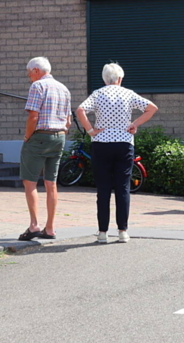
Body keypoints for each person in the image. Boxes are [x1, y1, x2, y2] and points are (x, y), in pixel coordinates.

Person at [76, 63, 158, 244]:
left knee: (103, 189)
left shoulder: (98, 94)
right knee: (123, 188)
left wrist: (90, 131)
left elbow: (80, 110)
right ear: (120, 78)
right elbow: (152, 107)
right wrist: (134, 124)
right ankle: (123, 231)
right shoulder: (128, 94)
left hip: (101, 144)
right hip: (124, 143)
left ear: (104, 79)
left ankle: (103, 232)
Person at [18, 57, 71, 241]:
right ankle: (50, 228)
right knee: (51, 183)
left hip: (40, 135)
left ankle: (34, 225)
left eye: (29, 73)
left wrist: (27, 137)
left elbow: (33, 116)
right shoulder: (63, 88)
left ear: (36, 70)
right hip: (59, 136)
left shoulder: (37, 86)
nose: (29, 76)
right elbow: (68, 121)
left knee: (30, 182)